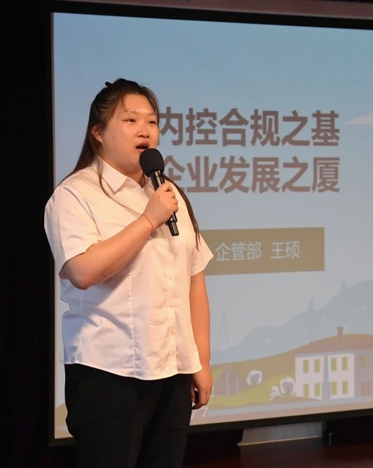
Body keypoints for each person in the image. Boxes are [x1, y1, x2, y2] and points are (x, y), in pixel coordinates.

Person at [44, 78, 213, 468]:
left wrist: (200, 362)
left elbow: (194, 279)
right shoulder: (76, 194)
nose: (145, 130)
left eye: (152, 122)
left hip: (173, 369)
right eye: (130, 120)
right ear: (97, 132)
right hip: (108, 373)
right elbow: (82, 270)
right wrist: (148, 220)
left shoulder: (167, 193)